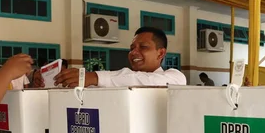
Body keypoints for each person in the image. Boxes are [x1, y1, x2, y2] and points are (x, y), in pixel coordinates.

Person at [33, 27, 186, 87]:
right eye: (132, 48)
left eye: (143, 47)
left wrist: (94, 77)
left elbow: (140, 80)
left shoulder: (175, 78)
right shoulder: (119, 80)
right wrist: (52, 82)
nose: (134, 52)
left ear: (161, 53)